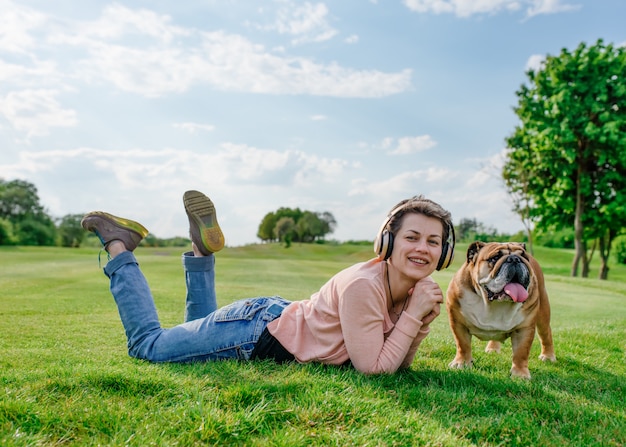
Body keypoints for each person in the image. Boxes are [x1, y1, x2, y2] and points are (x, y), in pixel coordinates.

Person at [81, 190, 455, 374]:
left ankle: (200, 250)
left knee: (185, 337)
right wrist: (413, 318)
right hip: (254, 330)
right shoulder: (363, 284)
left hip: (269, 318)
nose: (423, 248)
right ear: (387, 242)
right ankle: (119, 244)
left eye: (433, 241)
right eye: (412, 237)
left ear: (444, 252)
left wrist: (418, 321)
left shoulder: (413, 290)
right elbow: (373, 369)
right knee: (149, 346)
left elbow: (398, 366)